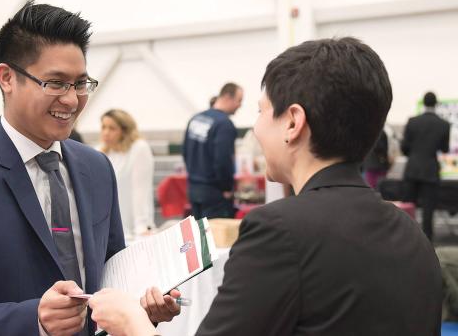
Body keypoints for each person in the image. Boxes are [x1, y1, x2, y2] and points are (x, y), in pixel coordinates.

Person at [87, 37, 442, 336]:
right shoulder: (411, 233)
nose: (256, 128)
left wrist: (130, 321)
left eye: (260, 111)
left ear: (293, 123)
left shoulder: (280, 232)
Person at [0, 2, 178, 335]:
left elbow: (112, 275)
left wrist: (140, 310)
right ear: (7, 78)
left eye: (80, 83)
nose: (71, 100)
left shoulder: (96, 168)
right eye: (56, 83)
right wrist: (33, 320)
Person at [183, 82, 243, 219]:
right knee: (217, 239)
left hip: (194, 190)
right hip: (214, 194)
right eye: (239, 100)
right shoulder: (224, 125)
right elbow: (223, 160)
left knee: (200, 237)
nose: (240, 105)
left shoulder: (196, 118)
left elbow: (185, 152)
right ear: (228, 97)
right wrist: (227, 187)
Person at [401, 91, 450, 241]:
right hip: (430, 170)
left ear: (424, 103)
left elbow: (404, 147)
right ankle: (427, 243)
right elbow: (444, 149)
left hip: (413, 168)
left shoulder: (412, 121)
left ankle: (405, 239)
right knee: (428, 210)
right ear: (435, 104)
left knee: (408, 207)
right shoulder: (444, 125)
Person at [98, 109, 155, 238]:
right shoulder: (100, 151)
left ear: (124, 130)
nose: (106, 133)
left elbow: (140, 190)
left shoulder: (139, 148)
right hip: (107, 227)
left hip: (133, 228)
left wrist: (141, 226)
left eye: (112, 128)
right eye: (103, 127)